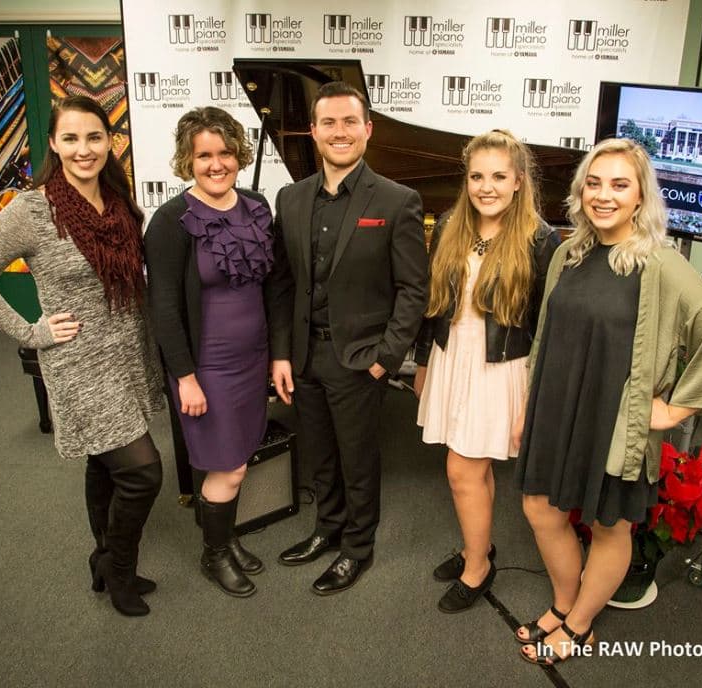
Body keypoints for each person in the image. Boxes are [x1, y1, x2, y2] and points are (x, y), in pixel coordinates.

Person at [515, 138, 702, 663]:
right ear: (580, 191)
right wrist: (531, 403)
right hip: (558, 406)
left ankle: (577, 626)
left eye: (620, 184)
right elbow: (546, 336)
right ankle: (562, 604)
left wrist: (674, 409)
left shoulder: (660, 264)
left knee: (609, 524)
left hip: (614, 418)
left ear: (641, 196)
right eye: (594, 183)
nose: (604, 196)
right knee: (539, 508)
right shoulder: (568, 253)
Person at [0, 95, 165, 617]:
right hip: (79, 363)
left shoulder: (119, 200)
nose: (84, 149)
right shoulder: (32, 210)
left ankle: (102, 557)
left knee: (104, 461)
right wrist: (30, 330)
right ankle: (119, 571)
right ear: (53, 143)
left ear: (109, 142)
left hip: (128, 353)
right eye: (70, 138)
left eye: (94, 137)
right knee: (142, 472)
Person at [266, 81, 429, 595]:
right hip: (303, 355)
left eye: (349, 122)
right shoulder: (289, 198)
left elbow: (413, 290)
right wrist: (280, 354)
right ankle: (327, 529)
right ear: (313, 132)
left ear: (367, 130)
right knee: (319, 453)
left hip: (360, 359)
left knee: (359, 459)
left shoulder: (398, 200)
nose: (340, 132)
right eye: (329, 123)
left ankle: (358, 547)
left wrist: (386, 359)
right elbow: (281, 282)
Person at [413, 129, 559, 613]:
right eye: (477, 176)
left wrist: (536, 398)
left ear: (519, 180)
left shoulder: (542, 239)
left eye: (499, 176)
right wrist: (421, 363)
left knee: (463, 470)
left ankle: (478, 568)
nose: (486, 186)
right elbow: (431, 306)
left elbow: (546, 328)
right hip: (452, 357)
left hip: (501, 368)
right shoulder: (453, 220)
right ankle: (479, 546)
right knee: (476, 468)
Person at [144, 107, 273, 598]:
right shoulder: (172, 220)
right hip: (208, 367)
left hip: (252, 359)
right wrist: (185, 376)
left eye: (224, 153)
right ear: (187, 160)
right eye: (204, 155)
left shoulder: (256, 205)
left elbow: (270, 287)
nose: (216, 164)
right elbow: (164, 305)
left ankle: (226, 537)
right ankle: (213, 553)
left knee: (238, 454)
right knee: (229, 465)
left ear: (238, 154)